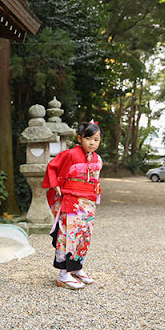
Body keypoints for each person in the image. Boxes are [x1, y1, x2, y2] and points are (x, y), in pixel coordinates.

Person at [42, 121, 103, 290]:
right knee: (68, 235)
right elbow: (52, 167)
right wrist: (55, 185)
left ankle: (76, 267)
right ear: (79, 138)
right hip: (71, 200)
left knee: (84, 235)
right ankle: (63, 274)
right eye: (88, 138)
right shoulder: (69, 154)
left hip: (88, 202)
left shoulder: (98, 159)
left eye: (96, 139)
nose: (92, 142)